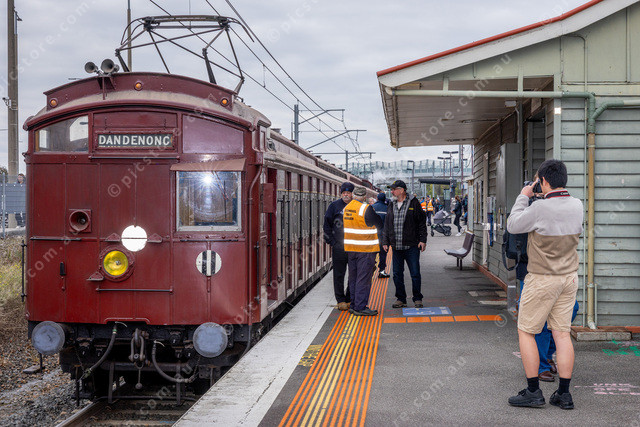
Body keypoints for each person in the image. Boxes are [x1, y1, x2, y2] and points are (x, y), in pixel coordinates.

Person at [506, 159, 583, 409]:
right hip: (569, 278)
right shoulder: (577, 204)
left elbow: (513, 225)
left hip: (542, 279)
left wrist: (523, 196)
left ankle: (533, 391)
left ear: (544, 181)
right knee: (561, 333)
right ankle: (564, 394)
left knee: (527, 331)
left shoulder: (539, 208)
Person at [382, 180, 427, 309]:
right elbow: (387, 224)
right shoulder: (391, 204)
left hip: (411, 245)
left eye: (394, 189)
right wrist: (385, 241)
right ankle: (401, 299)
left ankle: (417, 298)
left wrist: (423, 240)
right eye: (391, 189)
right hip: (396, 246)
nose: (392, 192)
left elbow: (421, 222)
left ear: (402, 190)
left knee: (415, 273)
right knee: (397, 274)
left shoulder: (413, 203)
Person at [343, 187, 384, 316]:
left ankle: (354, 305)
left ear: (353, 195)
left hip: (351, 249)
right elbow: (379, 223)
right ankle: (360, 307)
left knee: (353, 278)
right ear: (365, 197)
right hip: (365, 250)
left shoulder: (347, 208)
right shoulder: (366, 209)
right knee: (363, 279)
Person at [323, 182, 354, 311]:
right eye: (343, 193)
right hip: (339, 247)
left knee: (353, 274)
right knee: (339, 274)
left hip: (353, 247)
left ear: (352, 194)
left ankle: (349, 298)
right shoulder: (334, 206)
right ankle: (340, 300)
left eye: (348, 192)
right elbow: (327, 224)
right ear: (341, 193)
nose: (346, 195)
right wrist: (332, 242)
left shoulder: (356, 206)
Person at [372, 192, 390, 278]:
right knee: (383, 254)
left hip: (372, 235)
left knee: (372, 254)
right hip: (383, 236)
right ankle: (382, 271)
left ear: (377, 198)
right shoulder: (387, 209)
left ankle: (371, 268)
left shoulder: (372, 207)